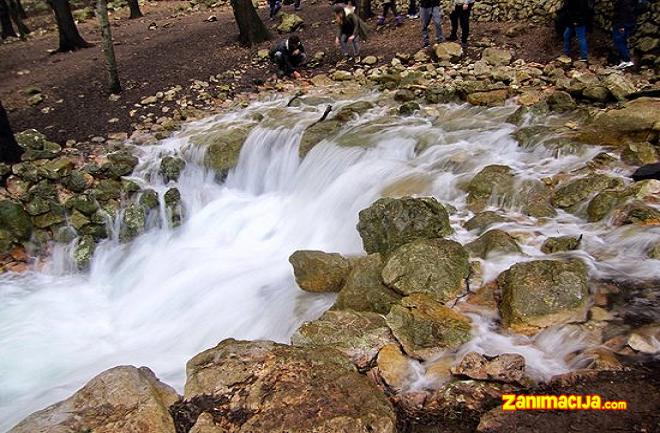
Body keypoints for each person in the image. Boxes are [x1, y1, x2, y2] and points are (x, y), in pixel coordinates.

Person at [611, 0, 638, 69]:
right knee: (623, 41)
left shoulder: (624, 2)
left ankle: (626, 60)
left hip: (621, 24)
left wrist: (621, 25)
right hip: (629, 23)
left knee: (618, 41)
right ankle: (623, 61)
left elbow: (623, 13)